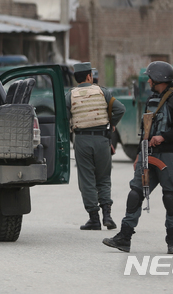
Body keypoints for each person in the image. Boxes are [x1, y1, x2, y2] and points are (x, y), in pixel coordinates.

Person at [103, 61, 173, 254]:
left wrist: (164, 137)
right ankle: (124, 238)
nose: (149, 81)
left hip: (169, 156)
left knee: (170, 197)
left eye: (151, 77)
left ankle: (172, 242)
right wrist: (138, 155)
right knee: (135, 193)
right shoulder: (151, 99)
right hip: (148, 155)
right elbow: (145, 130)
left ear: (158, 78)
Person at [66, 62, 125, 231]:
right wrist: (112, 124)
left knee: (87, 180)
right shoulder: (102, 92)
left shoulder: (70, 95)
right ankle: (107, 215)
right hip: (102, 140)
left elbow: (64, 116)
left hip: (82, 140)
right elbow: (120, 109)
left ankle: (94, 219)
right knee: (104, 178)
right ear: (89, 77)